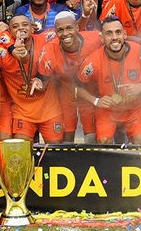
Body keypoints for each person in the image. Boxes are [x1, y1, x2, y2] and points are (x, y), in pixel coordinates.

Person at [76, 16, 141, 145]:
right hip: (108, 111)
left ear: (124, 34)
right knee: (103, 142)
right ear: (102, 38)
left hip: (135, 109)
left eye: (118, 32)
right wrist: (96, 101)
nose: (114, 37)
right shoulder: (92, 61)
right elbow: (76, 88)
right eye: (109, 33)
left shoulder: (140, 52)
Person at [0, 15, 65, 143]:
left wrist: (86, 15)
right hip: (22, 113)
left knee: (56, 154)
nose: (20, 28)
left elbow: (68, 31)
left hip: (50, 110)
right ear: (9, 32)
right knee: (22, 152)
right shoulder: (2, 53)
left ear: (33, 28)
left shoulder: (44, 39)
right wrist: (11, 47)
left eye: (25, 25)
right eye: (15, 26)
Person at [39, 11, 102, 143]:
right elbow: (42, 79)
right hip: (66, 95)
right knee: (67, 139)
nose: (65, 34)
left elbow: (120, 40)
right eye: (60, 30)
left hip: (89, 94)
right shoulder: (49, 50)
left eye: (69, 28)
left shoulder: (95, 38)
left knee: (91, 138)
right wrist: (37, 82)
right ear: (55, 32)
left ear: (77, 28)